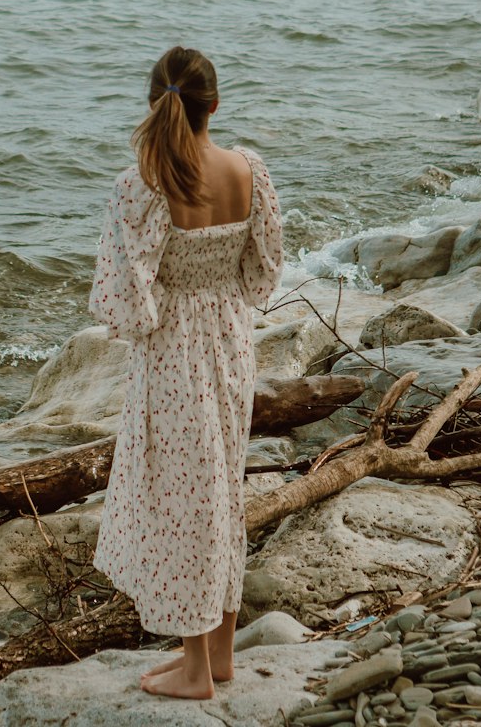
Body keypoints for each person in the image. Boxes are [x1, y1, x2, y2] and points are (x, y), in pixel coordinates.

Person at [88, 44, 283, 700]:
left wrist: (166, 302)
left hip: (174, 351)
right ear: (215, 105)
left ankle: (196, 668)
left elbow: (124, 305)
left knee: (182, 499)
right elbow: (263, 273)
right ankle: (217, 654)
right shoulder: (248, 170)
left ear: (153, 106)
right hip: (230, 340)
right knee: (220, 488)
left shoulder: (140, 186)